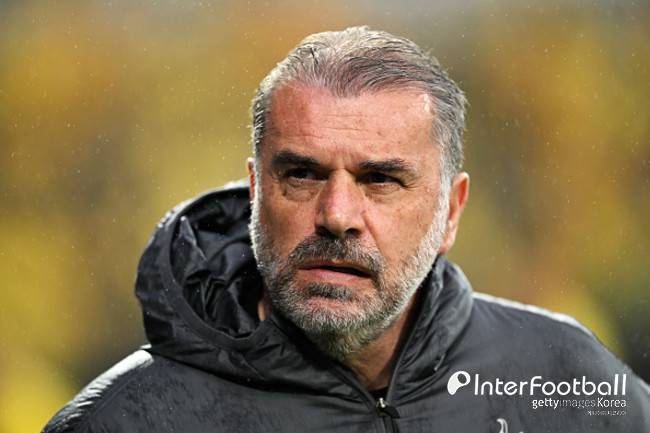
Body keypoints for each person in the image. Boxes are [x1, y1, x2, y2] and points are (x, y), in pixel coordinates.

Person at [43, 26, 649, 433]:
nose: (336, 215)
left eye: (380, 179)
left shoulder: (569, 382)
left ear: (451, 211)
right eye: (302, 174)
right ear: (255, 192)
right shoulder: (124, 421)